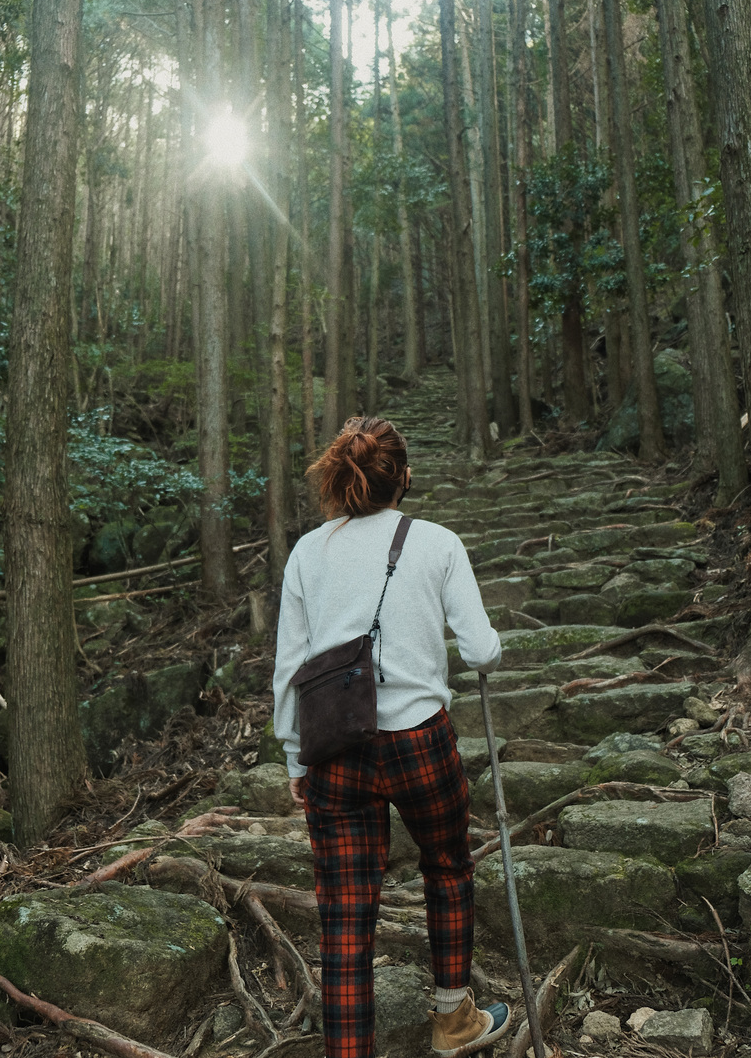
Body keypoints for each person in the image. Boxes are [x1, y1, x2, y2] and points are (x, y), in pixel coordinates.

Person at [273, 416, 510, 1058]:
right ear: (404, 477)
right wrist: (487, 649)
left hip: (334, 749)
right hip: (419, 744)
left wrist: (295, 754)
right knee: (448, 867)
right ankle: (452, 1018)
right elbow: (482, 649)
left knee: (345, 911)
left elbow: (290, 665)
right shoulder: (437, 543)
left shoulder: (307, 552)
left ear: (339, 478)